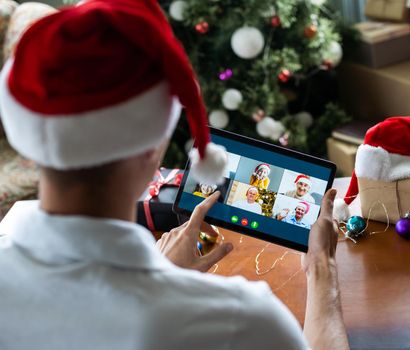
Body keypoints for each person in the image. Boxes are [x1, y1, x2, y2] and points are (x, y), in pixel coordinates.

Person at [0, 1, 349, 349]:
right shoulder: (237, 319)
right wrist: (321, 269)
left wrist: (163, 272)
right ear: (154, 143)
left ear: (23, 131)